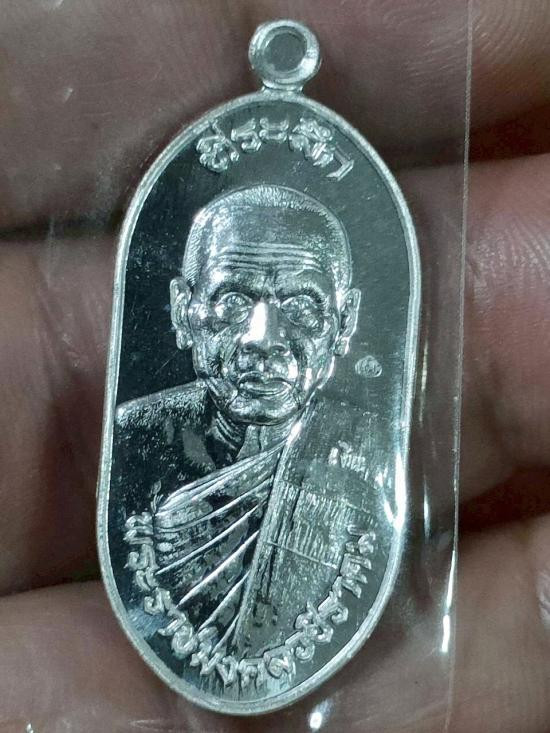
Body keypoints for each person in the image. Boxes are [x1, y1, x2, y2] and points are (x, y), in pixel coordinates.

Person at [115, 185, 363, 662]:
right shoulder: (137, 437)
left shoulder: (370, 456)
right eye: (232, 301)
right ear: (183, 311)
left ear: (344, 321)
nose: (262, 339)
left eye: (301, 307)